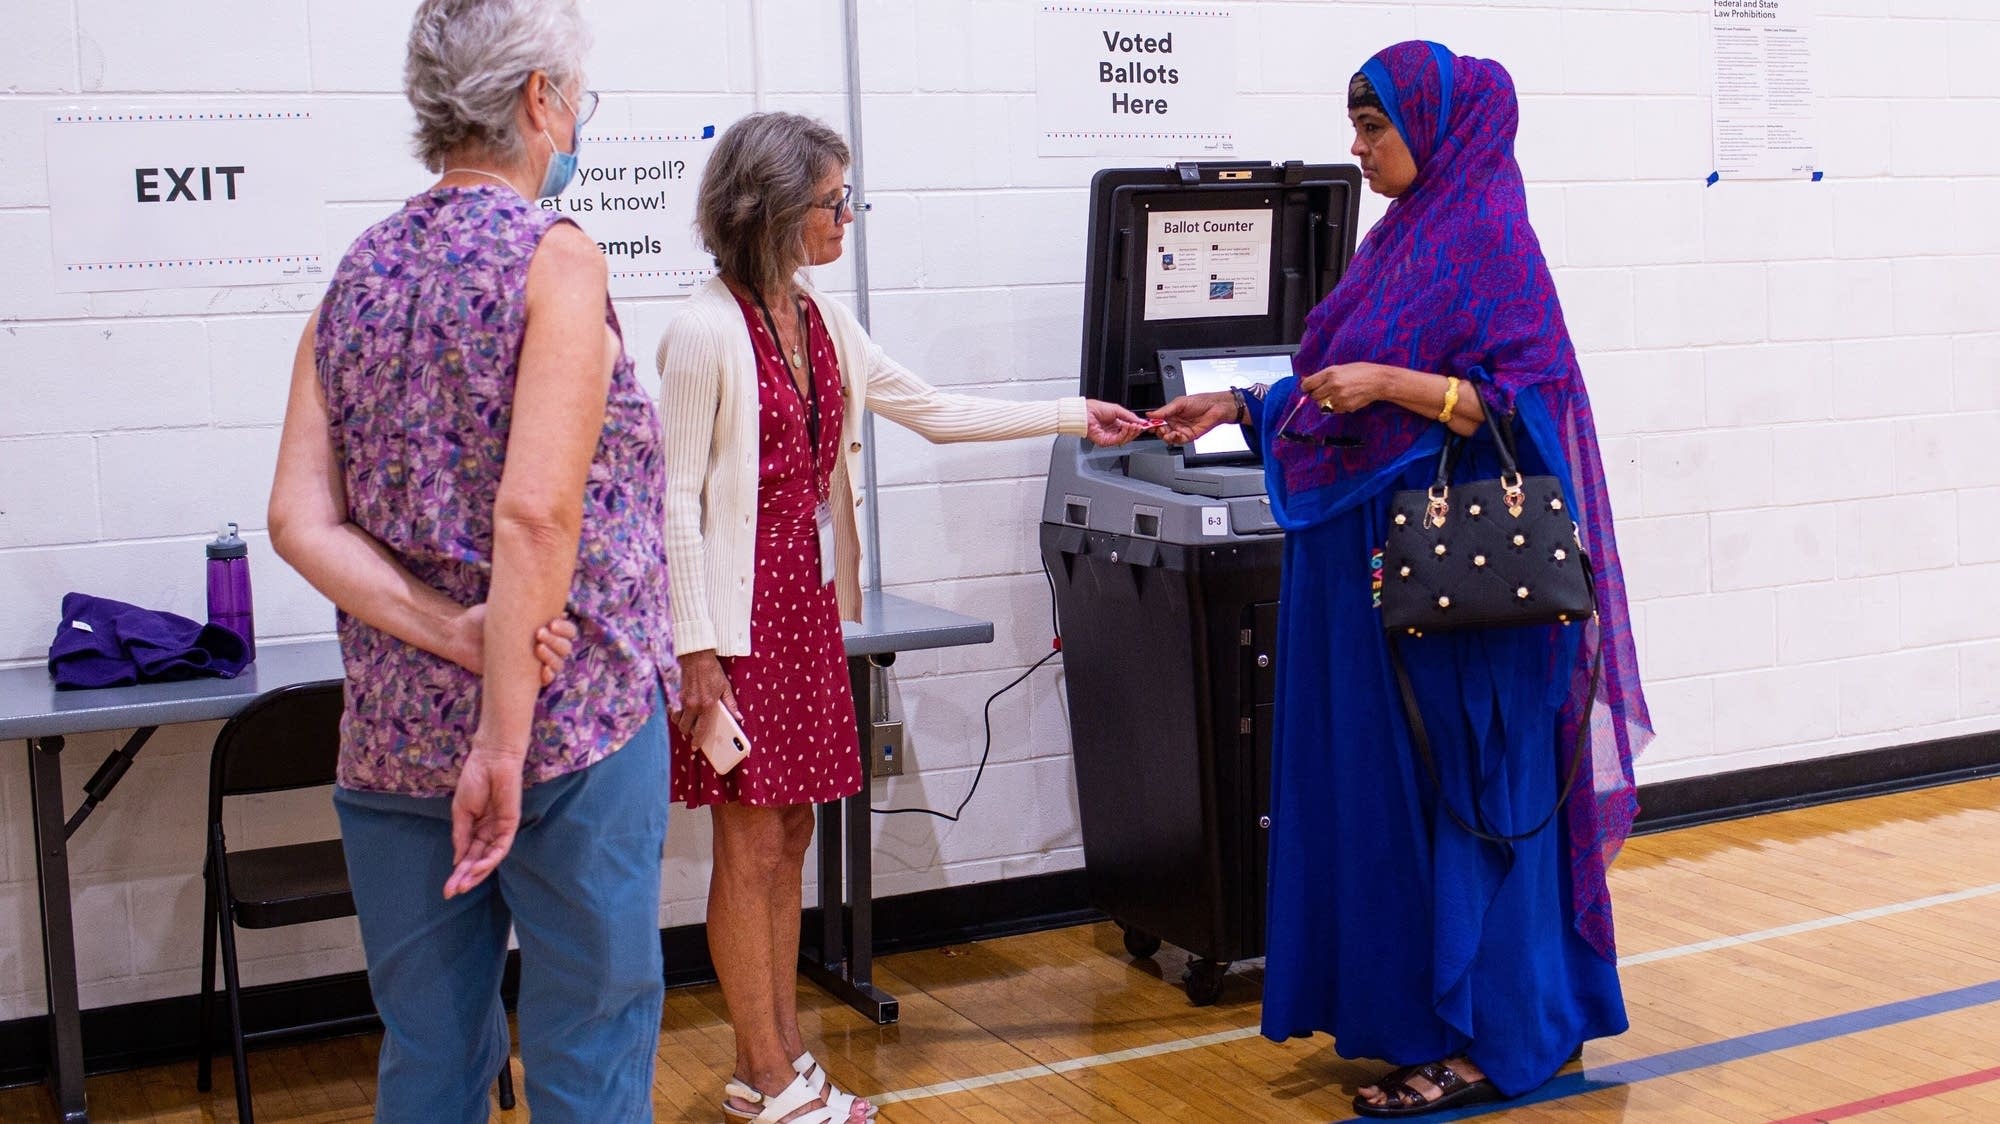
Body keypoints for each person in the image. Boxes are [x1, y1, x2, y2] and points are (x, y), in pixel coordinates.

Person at [1153, 41, 1652, 1118]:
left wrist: (1396, 382)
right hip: (1376, 589)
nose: (1356, 146)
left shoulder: (1490, 241)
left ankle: (1493, 1035)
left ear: (1436, 126)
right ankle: (1430, 1018)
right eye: (1356, 124)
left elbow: (1528, 404)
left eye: (1373, 126)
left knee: (1469, 793)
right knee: (1399, 802)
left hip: (1462, 600)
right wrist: (1241, 405)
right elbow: (1335, 389)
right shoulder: (1398, 243)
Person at [656, 112, 1145, 1124]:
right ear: (773, 211)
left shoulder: (820, 319)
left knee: (790, 833)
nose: (847, 217)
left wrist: (1072, 414)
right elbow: (673, 504)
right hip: (733, 627)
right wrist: (695, 649)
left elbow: (932, 409)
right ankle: (766, 1071)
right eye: (833, 202)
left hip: (801, 610)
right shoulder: (702, 330)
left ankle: (773, 1059)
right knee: (747, 847)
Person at [267, 1, 678, 1119]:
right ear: (540, 98)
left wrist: (449, 630)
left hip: (394, 736)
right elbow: (535, 517)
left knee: (431, 1052)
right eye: (577, 95)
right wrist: (500, 733)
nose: (579, 116)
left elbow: (299, 520)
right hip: (565, 726)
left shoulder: (357, 276)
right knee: (589, 1045)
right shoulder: (556, 258)